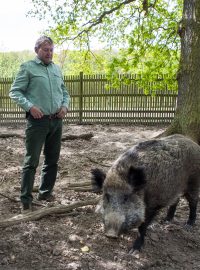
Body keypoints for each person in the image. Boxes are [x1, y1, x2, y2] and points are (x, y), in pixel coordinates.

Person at [9, 36, 70, 212]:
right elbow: (15, 92)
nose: (49, 53)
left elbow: (64, 92)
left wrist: (65, 106)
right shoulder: (27, 68)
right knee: (31, 161)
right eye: (45, 49)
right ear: (37, 50)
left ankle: (45, 192)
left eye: (51, 49)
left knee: (52, 160)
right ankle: (26, 200)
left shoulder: (56, 69)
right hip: (37, 122)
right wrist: (30, 107)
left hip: (56, 121)